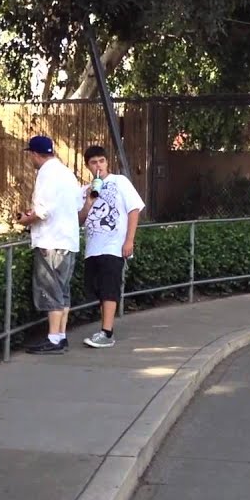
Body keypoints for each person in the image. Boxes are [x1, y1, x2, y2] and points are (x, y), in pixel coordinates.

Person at [15, 135, 83, 354]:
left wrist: (24, 220)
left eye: (31, 156)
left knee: (50, 289)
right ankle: (61, 335)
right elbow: (79, 203)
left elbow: (42, 211)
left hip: (50, 240)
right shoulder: (66, 172)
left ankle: (53, 339)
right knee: (62, 290)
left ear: (35, 154)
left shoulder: (45, 174)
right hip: (69, 240)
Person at [77, 145, 145, 348]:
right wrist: (89, 202)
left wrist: (129, 240)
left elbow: (134, 209)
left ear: (107, 162)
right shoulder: (84, 191)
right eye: (93, 162)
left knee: (109, 288)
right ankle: (104, 329)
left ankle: (107, 332)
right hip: (93, 247)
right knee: (97, 288)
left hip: (114, 245)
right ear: (88, 166)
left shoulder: (119, 182)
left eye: (101, 161)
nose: (98, 165)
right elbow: (79, 220)